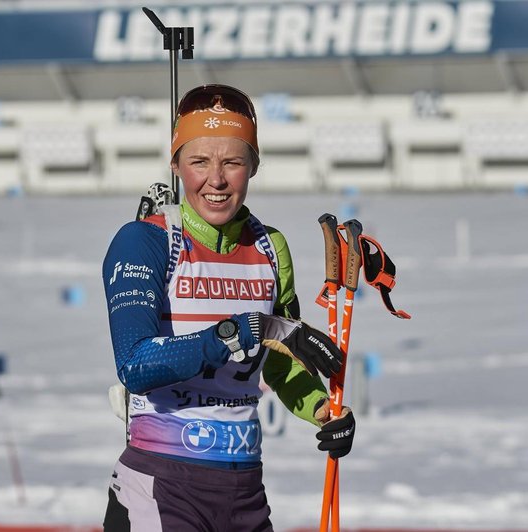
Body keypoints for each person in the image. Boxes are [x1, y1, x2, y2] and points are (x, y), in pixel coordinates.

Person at [101, 84, 356, 531]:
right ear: (176, 164)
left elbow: (279, 359)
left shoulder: (270, 247)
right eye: (199, 161)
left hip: (244, 493)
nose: (215, 180)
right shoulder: (145, 240)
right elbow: (135, 364)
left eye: (232, 162)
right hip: (162, 488)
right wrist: (241, 330)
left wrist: (322, 408)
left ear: (253, 166)